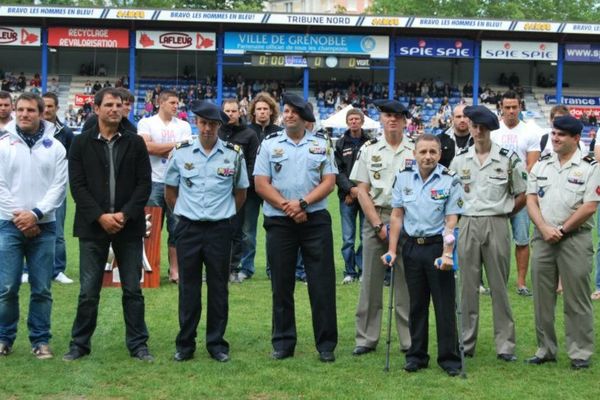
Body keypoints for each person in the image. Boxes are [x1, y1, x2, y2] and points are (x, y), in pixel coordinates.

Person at [63, 88, 153, 362]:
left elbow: (144, 185)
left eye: (120, 104)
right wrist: (100, 216)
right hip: (93, 227)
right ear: (97, 108)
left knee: (132, 290)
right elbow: (77, 186)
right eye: (109, 104)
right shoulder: (80, 143)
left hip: (129, 227)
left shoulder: (136, 143)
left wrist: (124, 215)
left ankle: (138, 345)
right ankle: (79, 344)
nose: (115, 109)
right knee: (88, 291)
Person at [254, 93, 338, 362]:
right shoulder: (269, 144)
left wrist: (302, 203)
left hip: (315, 221)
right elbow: (261, 184)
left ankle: (326, 345)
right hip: (280, 222)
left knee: (322, 284)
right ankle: (283, 343)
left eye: (293, 112)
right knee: (281, 283)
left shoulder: (321, 144)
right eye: (286, 111)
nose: (288, 115)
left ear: (305, 118)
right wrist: (288, 207)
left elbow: (329, 181)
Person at [165, 100, 248, 363]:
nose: (208, 129)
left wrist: (224, 214)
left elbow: (241, 192)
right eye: (203, 123)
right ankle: (185, 344)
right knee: (188, 288)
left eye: (213, 124)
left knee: (218, 288)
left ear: (220, 126)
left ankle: (216, 344)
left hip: (219, 229)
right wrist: (184, 213)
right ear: (196, 123)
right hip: (188, 227)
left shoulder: (233, 154)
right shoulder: (180, 152)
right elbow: (170, 191)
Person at [450, 105, 527, 361]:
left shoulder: (508, 158)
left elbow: (522, 193)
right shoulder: (460, 159)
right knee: (467, 288)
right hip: (468, 223)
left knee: (499, 287)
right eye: (475, 126)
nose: (479, 130)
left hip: (497, 222)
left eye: (484, 127)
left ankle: (505, 345)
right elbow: (451, 195)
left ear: (491, 129)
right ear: (469, 127)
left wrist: (505, 213)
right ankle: (465, 343)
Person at [382, 134, 464, 376]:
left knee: (444, 305)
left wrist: (447, 253)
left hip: (438, 247)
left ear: (439, 154)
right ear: (415, 154)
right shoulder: (403, 178)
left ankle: (449, 358)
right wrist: (392, 250)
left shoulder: (450, 180)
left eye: (433, 152)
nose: (428, 156)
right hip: (412, 248)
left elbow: (451, 220)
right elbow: (397, 216)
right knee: (416, 304)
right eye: (423, 152)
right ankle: (416, 355)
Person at [525, 115, 599, 369]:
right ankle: (545, 349)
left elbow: (590, 206)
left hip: (574, 239)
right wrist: (545, 228)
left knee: (577, 299)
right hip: (543, 239)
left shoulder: (591, 166)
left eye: (561, 135)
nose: (555, 138)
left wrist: (562, 229)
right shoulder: (542, 164)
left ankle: (580, 353)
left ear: (576, 138)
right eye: (554, 133)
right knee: (542, 299)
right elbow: (531, 199)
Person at [0, 92, 67, 359]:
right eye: (21, 109)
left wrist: (36, 214)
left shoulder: (56, 146)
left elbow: (59, 187)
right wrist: (22, 217)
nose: (25, 114)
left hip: (45, 227)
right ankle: (4, 338)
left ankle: (40, 341)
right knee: (7, 287)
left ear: (41, 113)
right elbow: (0, 186)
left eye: (31, 110)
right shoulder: (3, 143)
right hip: (8, 224)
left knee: (42, 288)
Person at [348, 99, 412, 357]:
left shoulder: (415, 149)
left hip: (408, 221)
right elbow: (361, 190)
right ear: (381, 119)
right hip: (375, 217)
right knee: (370, 282)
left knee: (407, 284)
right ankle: (366, 338)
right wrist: (377, 223)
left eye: (397, 116)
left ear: (406, 120)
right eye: (387, 115)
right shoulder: (369, 149)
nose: (392, 120)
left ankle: (408, 340)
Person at [138, 90, 192, 283]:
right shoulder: (146, 122)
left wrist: (159, 147)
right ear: (160, 103)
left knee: (177, 227)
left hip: (177, 183)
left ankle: (175, 271)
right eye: (172, 102)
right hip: (152, 181)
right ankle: (148, 267)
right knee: (150, 227)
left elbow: (185, 152)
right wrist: (175, 147)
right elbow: (146, 148)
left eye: (178, 103)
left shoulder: (184, 125)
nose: (176, 106)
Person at [491, 91, 541, 297]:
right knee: (493, 241)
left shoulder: (530, 132)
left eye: (514, 107)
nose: (511, 111)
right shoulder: (493, 131)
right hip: (495, 194)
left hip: (521, 194)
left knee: (521, 239)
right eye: (507, 107)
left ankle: (521, 283)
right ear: (501, 107)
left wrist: (517, 186)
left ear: (520, 107)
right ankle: (496, 282)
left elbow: (532, 164)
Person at [242, 93, 283, 278]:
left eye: (265, 109)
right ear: (253, 111)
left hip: (272, 189)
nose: (262, 112)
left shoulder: (280, 132)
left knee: (273, 230)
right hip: (250, 190)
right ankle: (246, 268)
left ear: (271, 111)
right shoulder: (245, 130)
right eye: (259, 109)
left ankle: (273, 268)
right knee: (248, 230)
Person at [218, 98, 259, 283]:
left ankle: (232, 268)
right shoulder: (217, 132)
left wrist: (242, 185)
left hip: (239, 192)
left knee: (237, 231)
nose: (230, 114)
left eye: (233, 111)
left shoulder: (249, 135)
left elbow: (252, 164)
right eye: (227, 111)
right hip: (217, 191)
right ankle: (215, 268)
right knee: (217, 231)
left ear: (239, 112)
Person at [41, 92, 74, 284]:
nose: (46, 110)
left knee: (58, 230)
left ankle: (58, 269)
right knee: (34, 228)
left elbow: (70, 162)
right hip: (36, 188)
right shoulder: (31, 130)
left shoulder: (66, 133)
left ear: (56, 108)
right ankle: (28, 269)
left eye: (50, 106)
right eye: (43, 106)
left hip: (58, 189)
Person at [334, 108, 370, 284]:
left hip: (367, 196)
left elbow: (373, 170)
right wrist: (350, 190)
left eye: (357, 119)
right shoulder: (340, 144)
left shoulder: (371, 142)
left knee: (366, 236)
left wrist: (359, 191)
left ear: (362, 121)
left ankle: (362, 269)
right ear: (347, 122)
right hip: (347, 198)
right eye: (351, 119)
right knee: (348, 238)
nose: (354, 122)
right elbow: (338, 171)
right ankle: (350, 272)